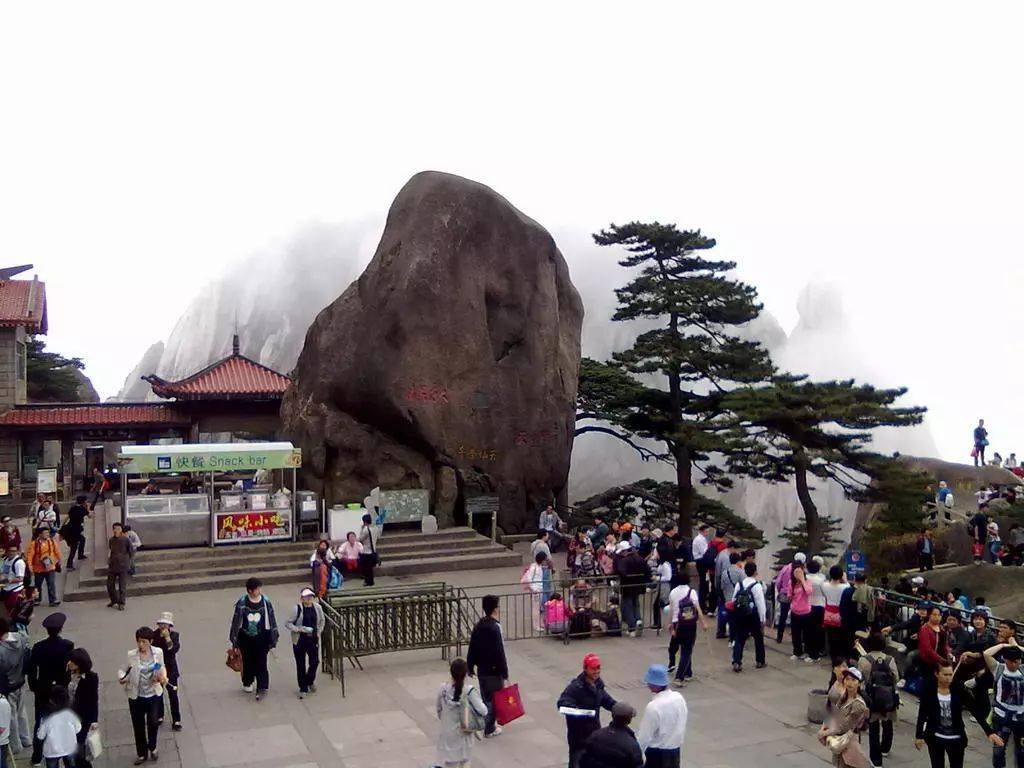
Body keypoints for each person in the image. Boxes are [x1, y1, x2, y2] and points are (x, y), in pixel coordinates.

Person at [916, 661, 1002, 768]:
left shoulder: (959, 688)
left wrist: (989, 732)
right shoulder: (929, 689)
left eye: (950, 675)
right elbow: (922, 713)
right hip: (935, 737)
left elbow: (974, 710)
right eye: (945, 674)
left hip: (956, 738)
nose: (948, 678)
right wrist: (918, 735)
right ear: (937, 674)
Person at [27, 613, 73, 767]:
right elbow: (68, 669)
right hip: (60, 689)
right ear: (60, 629)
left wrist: (34, 686)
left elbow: (32, 670)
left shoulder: (38, 647)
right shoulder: (67, 645)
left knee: (41, 723)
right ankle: (66, 753)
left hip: (43, 689)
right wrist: (66, 682)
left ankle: (37, 756)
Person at [557, 654, 618, 768]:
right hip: (579, 738)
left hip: (594, 735)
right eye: (593, 668)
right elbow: (562, 702)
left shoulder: (598, 685)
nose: (597, 671)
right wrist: (575, 709)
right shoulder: (576, 687)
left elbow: (607, 701)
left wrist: (619, 708)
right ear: (585, 669)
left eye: (598, 668)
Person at [120, 627, 166, 765]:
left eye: (144, 642)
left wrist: (159, 676)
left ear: (150, 642)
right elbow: (123, 669)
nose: (141, 645)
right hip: (136, 696)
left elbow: (160, 665)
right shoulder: (131, 655)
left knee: (153, 722)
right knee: (138, 725)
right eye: (139, 642)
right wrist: (122, 677)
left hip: (153, 694)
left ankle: (153, 746)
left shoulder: (158, 652)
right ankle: (141, 753)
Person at [228, 577, 279, 701]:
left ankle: (262, 686)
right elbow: (236, 621)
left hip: (262, 636)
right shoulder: (242, 603)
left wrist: (273, 636)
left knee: (261, 661)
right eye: (256, 589)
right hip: (246, 637)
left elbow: (271, 619)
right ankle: (248, 681)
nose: (259, 591)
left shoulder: (266, 601)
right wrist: (234, 639)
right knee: (248, 661)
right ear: (250, 591)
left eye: (259, 588)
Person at [466, 594, 508, 739]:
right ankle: (488, 728)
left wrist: (470, 665)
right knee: (493, 700)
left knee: (485, 698)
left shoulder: (478, 625)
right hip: (494, 670)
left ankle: (485, 724)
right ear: (495, 609)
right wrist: (505, 672)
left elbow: (472, 647)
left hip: (482, 669)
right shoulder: (496, 627)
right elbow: (499, 651)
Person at [432, 657, 487, 768]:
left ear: (451, 673)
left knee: (450, 763)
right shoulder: (469, 691)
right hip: (464, 735)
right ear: (465, 674)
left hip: (448, 735)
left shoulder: (443, 689)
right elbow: (483, 711)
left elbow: (439, 710)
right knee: (465, 762)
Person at [857, 632, 899, 767]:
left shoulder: (864, 660)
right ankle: (885, 748)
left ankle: (876, 760)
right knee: (888, 723)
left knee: (873, 728)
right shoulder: (889, 659)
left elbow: (860, 679)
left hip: (872, 698)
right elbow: (896, 678)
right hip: (888, 697)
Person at [816, 667, 870, 768]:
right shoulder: (844, 696)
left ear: (859, 684)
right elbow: (835, 714)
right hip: (839, 740)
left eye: (853, 680)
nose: (849, 683)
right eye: (847, 679)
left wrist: (824, 733)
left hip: (848, 742)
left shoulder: (858, 705)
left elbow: (844, 726)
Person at [636, 664, 687, 767]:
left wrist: (636, 755)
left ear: (652, 684)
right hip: (675, 750)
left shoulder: (653, 706)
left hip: (657, 754)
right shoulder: (679, 698)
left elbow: (645, 736)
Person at [984, 639, 1024, 768]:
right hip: (1001, 716)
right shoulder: (998, 668)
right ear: (1006, 660)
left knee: (1022, 750)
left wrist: (1016, 646)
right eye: (1013, 661)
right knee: (999, 749)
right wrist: (1003, 645)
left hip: (1021, 717)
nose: (1016, 664)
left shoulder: (1023, 670)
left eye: (1018, 661)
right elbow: (986, 654)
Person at [0, 617, 32, 757]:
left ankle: (15, 745)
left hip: (9, 684)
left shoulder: (1, 650)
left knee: (11, 716)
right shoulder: (21, 637)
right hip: (21, 680)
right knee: (21, 712)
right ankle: (26, 738)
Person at [284, 588, 323, 699]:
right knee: (300, 664)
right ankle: (303, 687)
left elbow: (321, 621)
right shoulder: (297, 609)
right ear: (302, 598)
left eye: (310, 596)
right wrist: (298, 629)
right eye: (306, 597)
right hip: (300, 640)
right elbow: (288, 623)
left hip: (313, 639)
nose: (309, 599)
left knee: (315, 662)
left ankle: (309, 680)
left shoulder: (317, 608)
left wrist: (318, 632)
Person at [667, 577, 707, 686]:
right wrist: (703, 622)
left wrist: (670, 623)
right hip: (689, 624)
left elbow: (671, 609)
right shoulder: (692, 592)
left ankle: (688, 672)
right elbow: (697, 608)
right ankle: (680, 676)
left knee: (681, 647)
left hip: (677, 623)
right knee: (687, 650)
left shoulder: (673, 592)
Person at [579, 701, 643, 768]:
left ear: (612, 715)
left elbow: (584, 759)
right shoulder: (632, 745)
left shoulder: (595, 735)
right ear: (629, 720)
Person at [731, 561, 767, 673]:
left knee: (739, 638)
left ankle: (737, 661)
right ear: (755, 572)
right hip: (753, 615)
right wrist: (763, 619)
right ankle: (760, 661)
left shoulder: (739, 584)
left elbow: (733, 600)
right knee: (758, 638)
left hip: (741, 614)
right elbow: (761, 603)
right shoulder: (757, 586)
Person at [67, 648, 99, 768]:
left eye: (72, 661)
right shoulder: (68, 673)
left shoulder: (91, 678)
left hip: (82, 718)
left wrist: (94, 719)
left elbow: (94, 700)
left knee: (80, 749)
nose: (69, 663)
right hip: (68, 715)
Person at [36, 685, 80, 768]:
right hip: (69, 747)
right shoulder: (70, 714)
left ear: (51, 701)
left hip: (52, 750)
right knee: (71, 764)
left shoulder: (47, 718)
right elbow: (78, 728)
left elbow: (40, 736)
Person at [152, 612, 181, 730]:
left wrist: (167, 637)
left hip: (170, 667)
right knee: (158, 692)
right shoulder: (154, 635)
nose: (163, 627)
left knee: (173, 694)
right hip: (158, 665)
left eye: (166, 625)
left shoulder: (174, 636)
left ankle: (176, 719)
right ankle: (159, 715)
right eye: (161, 624)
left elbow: (173, 649)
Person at [614, 542, 649, 637]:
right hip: (638, 586)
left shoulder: (624, 561)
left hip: (627, 586)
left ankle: (632, 627)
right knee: (636, 604)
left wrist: (626, 578)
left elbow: (621, 571)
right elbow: (647, 571)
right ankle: (638, 621)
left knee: (628, 606)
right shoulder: (640, 559)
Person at [775, 552, 805, 644]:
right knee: (796, 616)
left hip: (785, 594)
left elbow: (778, 581)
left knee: (783, 616)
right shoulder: (802, 571)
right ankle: (796, 638)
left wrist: (781, 590)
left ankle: (779, 637)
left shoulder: (786, 568)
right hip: (797, 596)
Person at [822, 565, 851, 660]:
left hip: (828, 614)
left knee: (830, 636)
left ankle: (832, 654)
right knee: (841, 636)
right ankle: (841, 656)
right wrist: (845, 579)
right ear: (841, 575)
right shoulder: (844, 587)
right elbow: (849, 588)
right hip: (839, 614)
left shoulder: (824, 585)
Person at [28, 526, 60, 607]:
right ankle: (37, 599)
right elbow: (30, 556)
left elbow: (57, 552)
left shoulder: (52, 542)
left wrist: (57, 561)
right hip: (38, 568)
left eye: (48, 533)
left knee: (51, 583)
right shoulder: (34, 544)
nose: (47, 534)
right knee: (38, 584)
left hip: (50, 567)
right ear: (40, 534)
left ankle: (53, 600)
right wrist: (30, 567)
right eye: (45, 533)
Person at [789, 562, 813, 661]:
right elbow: (789, 596)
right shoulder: (791, 582)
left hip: (806, 612)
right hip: (795, 611)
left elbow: (809, 592)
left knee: (807, 634)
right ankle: (797, 652)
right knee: (796, 634)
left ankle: (807, 653)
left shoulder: (808, 581)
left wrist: (802, 580)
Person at [806, 558, 827, 662]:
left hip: (809, 605)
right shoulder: (822, 579)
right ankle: (819, 650)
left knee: (810, 631)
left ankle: (812, 654)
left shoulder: (806, 578)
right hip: (821, 605)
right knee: (819, 630)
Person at [107, 523, 131, 610]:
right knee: (110, 585)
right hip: (113, 565)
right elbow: (111, 550)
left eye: (118, 529)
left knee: (122, 586)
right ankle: (114, 600)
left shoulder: (126, 540)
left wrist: (129, 562)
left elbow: (130, 551)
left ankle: (121, 603)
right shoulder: (111, 540)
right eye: (115, 529)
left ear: (121, 530)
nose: (116, 530)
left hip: (123, 566)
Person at [62, 497, 89, 571]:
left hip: (69, 529)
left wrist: (61, 527)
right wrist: (87, 508)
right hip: (75, 531)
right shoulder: (82, 509)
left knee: (82, 539)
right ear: (83, 502)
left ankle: (80, 555)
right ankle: (69, 565)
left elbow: (67, 518)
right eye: (86, 501)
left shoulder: (73, 508)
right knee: (73, 548)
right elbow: (89, 515)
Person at [0, 543, 27, 616]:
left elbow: (20, 578)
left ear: (17, 551)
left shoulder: (19, 563)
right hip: (5, 589)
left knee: (12, 613)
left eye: (14, 551)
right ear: (7, 551)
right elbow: (3, 572)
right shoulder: (5, 559)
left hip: (15, 591)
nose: (12, 553)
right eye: (10, 551)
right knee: (5, 611)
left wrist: (5, 580)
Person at [651, 552, 672, 633]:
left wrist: (657, 578)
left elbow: (668, 577)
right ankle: (657, 623)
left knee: (659, 604)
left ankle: (658, 624)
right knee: (657, 604)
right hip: (660, 586)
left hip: (664, 586)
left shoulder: (665, 565)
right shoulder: (661, 564)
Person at [357, 513, 377, 586]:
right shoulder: (375, 529)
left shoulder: (365, 529)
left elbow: (360, 539)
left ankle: (367, 581)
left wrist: (361, 529)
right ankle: (371, 581)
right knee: (370, 568)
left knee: (366, 567)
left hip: (366, 551)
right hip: (373, 550)